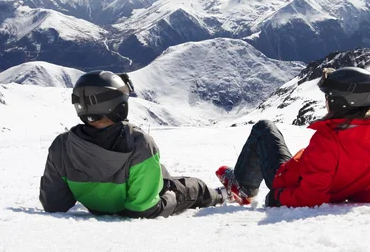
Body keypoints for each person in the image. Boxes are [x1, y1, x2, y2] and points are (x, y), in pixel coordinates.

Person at [40, 70, 229, 218]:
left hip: (106, 202)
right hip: (150, 194)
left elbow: (54, 204)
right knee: (192, 187)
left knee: (161, 173)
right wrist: (170, 196)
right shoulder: (139, 144)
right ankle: (223, 195)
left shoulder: (61, 146)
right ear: (118, 105)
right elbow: (143, 209)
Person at [216, 66, 370, 208]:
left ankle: (242, 187)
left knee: (264, 129)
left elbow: (310, 196)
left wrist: (278, 196)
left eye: (329, 96)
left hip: (286, 181)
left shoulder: (329, 139)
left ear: (338, 102)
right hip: (312, 178)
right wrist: (349, 193)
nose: (326, 101)